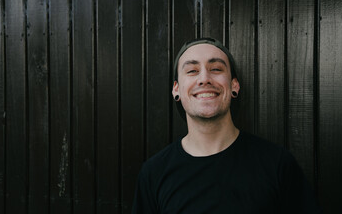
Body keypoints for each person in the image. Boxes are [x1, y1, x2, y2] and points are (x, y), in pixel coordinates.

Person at [132, 37, 321, 213]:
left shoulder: (278, 164)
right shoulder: (153, 174)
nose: (204, 78)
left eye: (216, 69)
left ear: (234, 86)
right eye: (192, 71)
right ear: (176, 90)